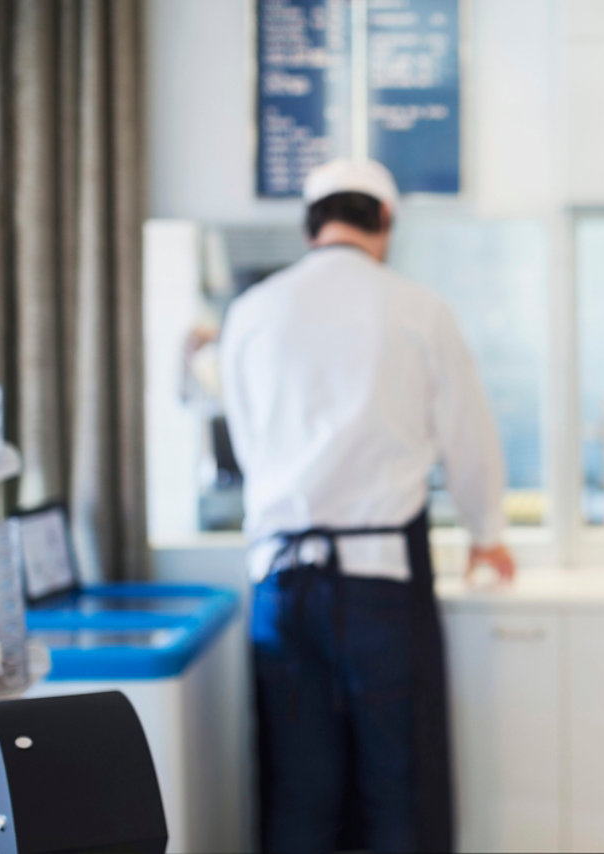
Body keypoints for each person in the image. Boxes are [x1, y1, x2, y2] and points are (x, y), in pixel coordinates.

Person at [219, 158, 515, 853]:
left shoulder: (252, 312)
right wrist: (486, 532)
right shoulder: (416, 307)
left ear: (310, 225)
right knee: (398, 784)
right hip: (382, 579)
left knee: (298, 787)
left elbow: (244, 437)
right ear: (385, 221)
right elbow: (467, 433)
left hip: (280, 583)